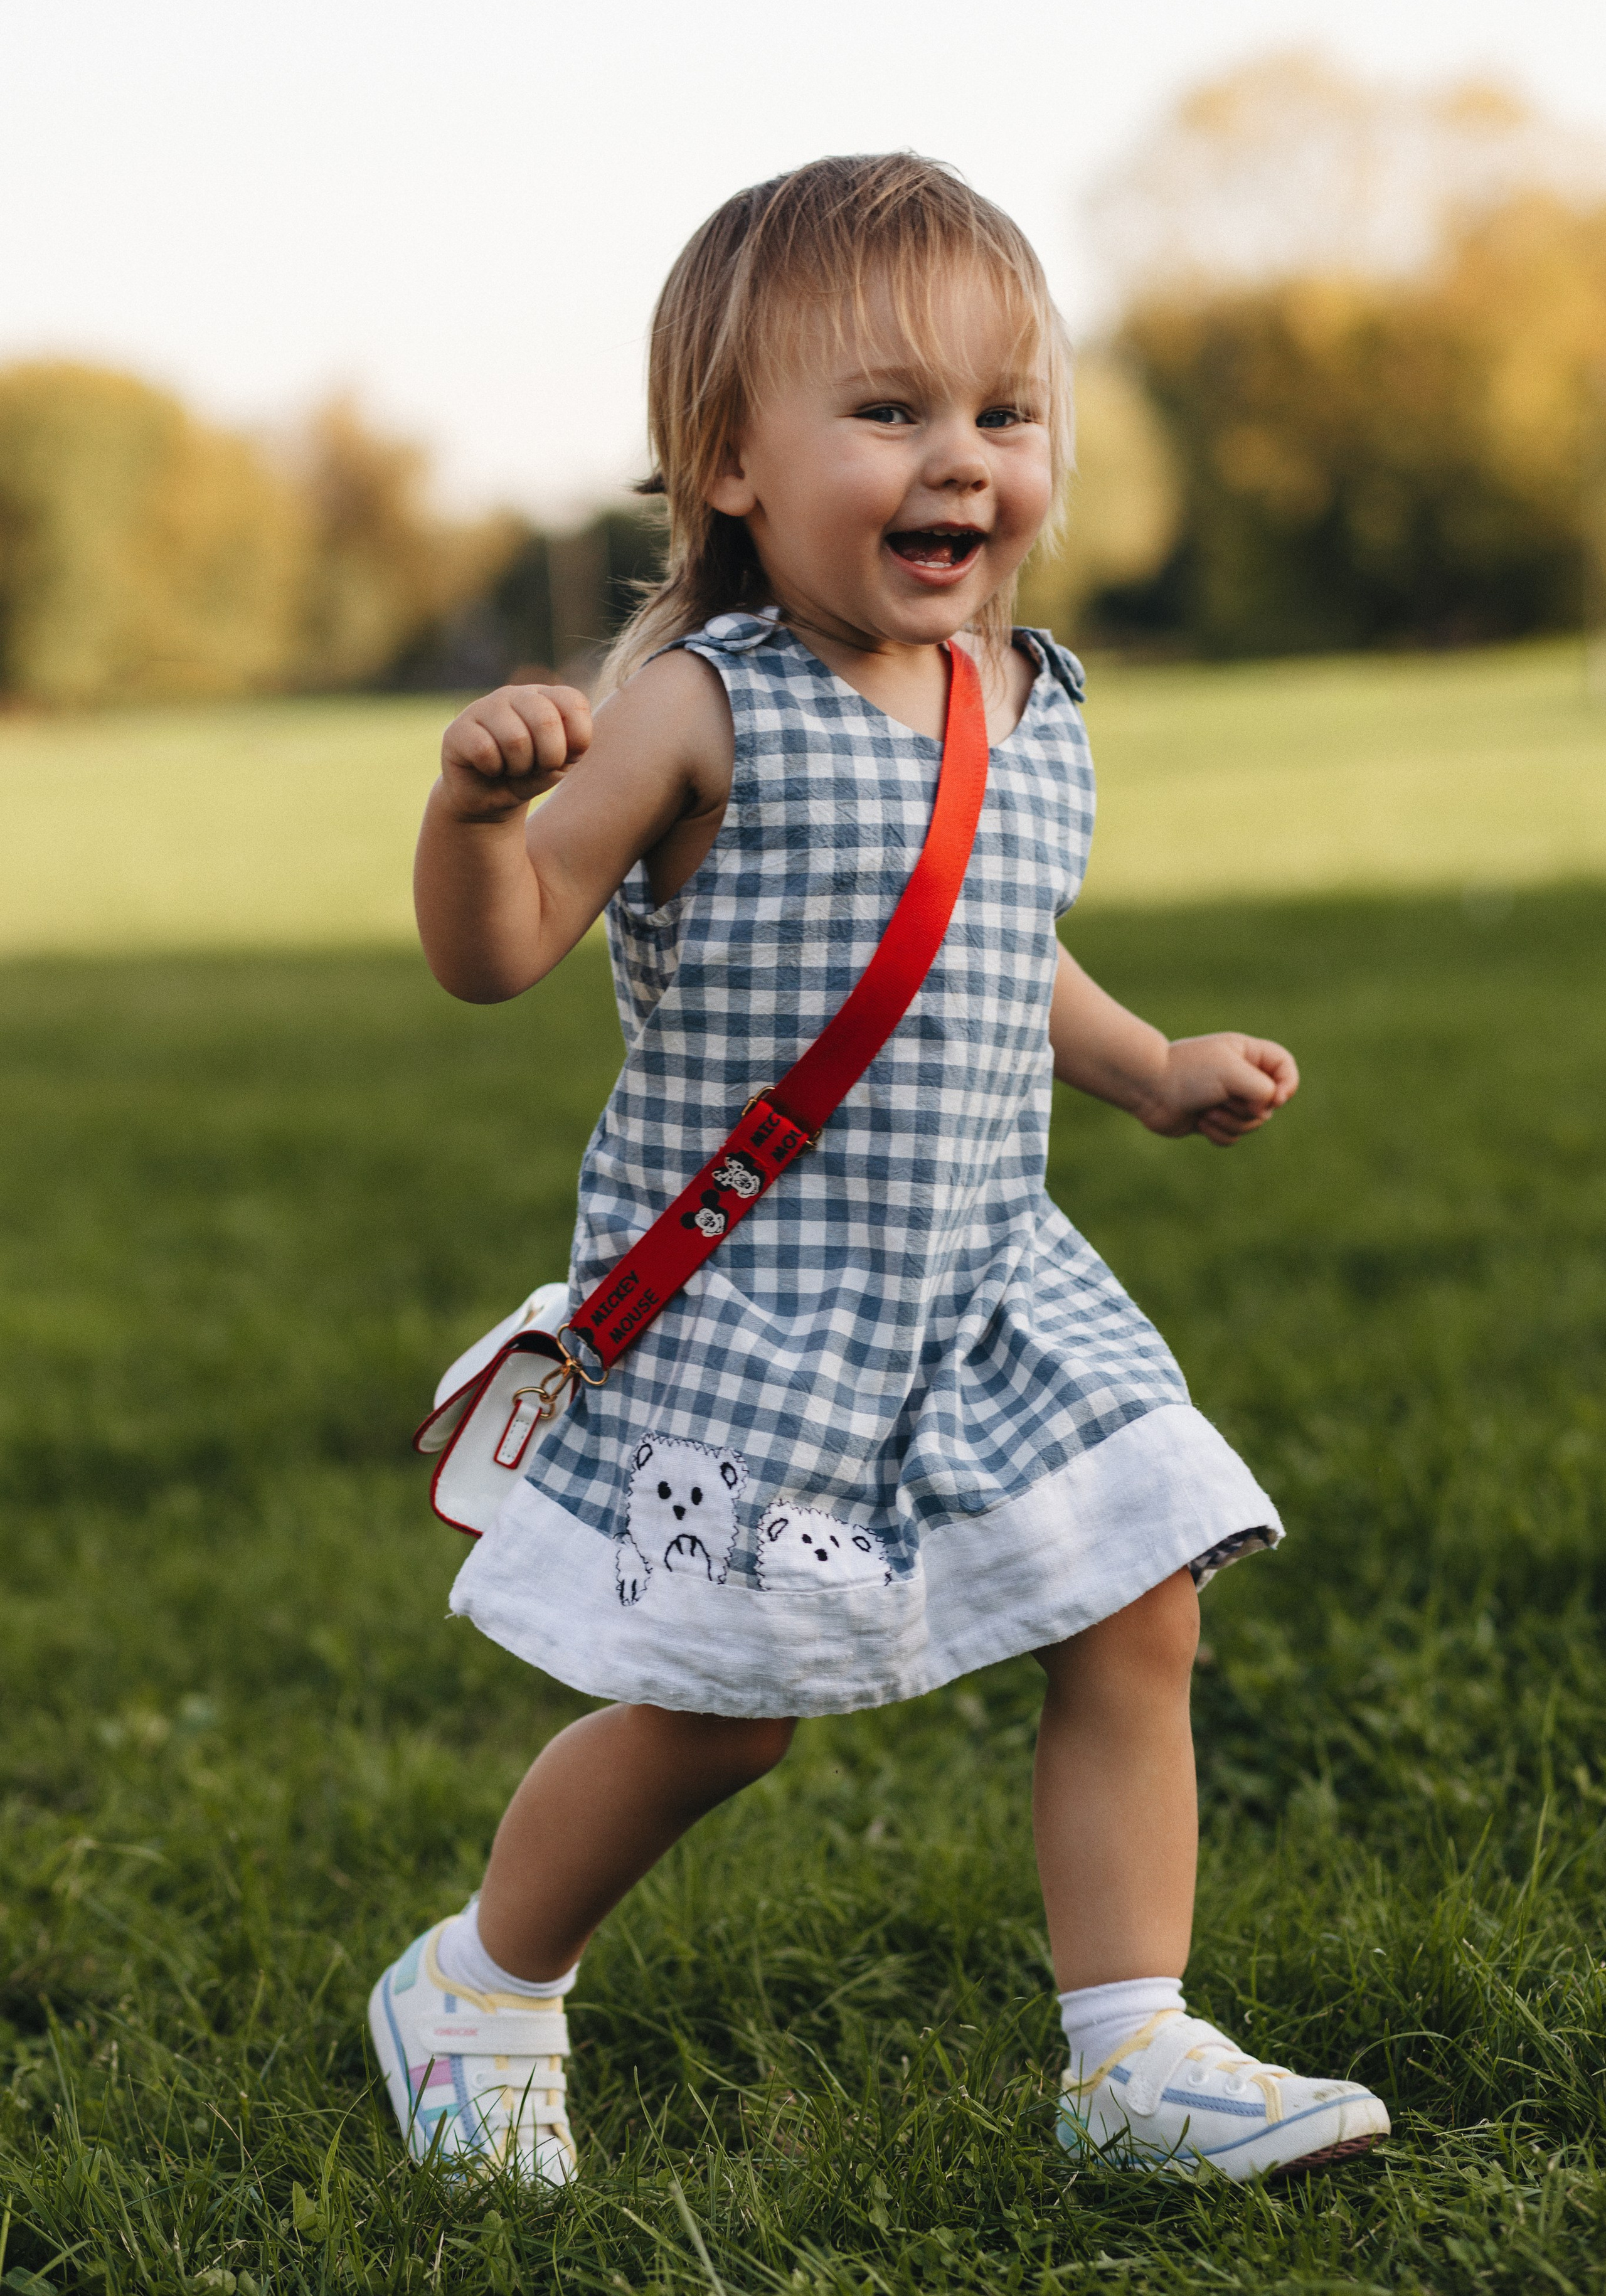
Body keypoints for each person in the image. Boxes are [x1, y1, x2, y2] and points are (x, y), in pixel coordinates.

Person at [368, 154, 1390, 2186]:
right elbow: (499, 957)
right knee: (725, 1719)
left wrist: (1147, 1066)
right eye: (895, 411)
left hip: (988, 1274)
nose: (965, 462)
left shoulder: (1026, 703)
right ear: (730, 463)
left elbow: (1003, 950)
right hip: (765, 1308)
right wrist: (481, 816)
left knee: (1143, 1599)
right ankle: (478, 1982)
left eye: (1005, 416)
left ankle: (1133, 2052)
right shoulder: (699, 705)